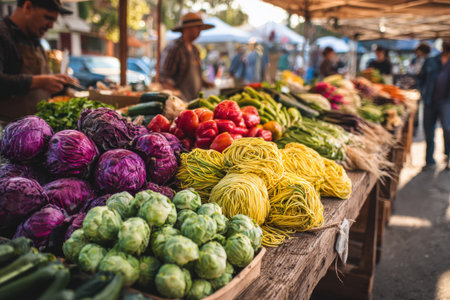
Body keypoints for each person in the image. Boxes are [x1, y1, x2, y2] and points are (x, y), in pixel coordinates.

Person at [0, 0, 76, 122]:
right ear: (28, 7)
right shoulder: (3, 35)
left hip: (37, 129)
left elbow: (42, 85)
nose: (51, 25)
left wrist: (59, 84)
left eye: (54, 20)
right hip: (7, 131)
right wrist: (39, 81)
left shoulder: (35, 40)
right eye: (47, 17)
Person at [160, 12, 215, 101]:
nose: (200, 31)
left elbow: (195, 74)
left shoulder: (195, 50)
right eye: (198, 27)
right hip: (180, 103)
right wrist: (176, 98)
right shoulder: (175, 48)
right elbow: (164, 78)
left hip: (194, 100)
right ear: (187, 28)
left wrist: (204, 82)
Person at [419, 41, 450, 170]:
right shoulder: (431, 61)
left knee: (447, 130)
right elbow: (420, 78)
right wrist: (423, 92)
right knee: (428, 130)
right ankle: (429, 160)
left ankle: (448, 156)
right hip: (430, 101)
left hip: (446, 102)